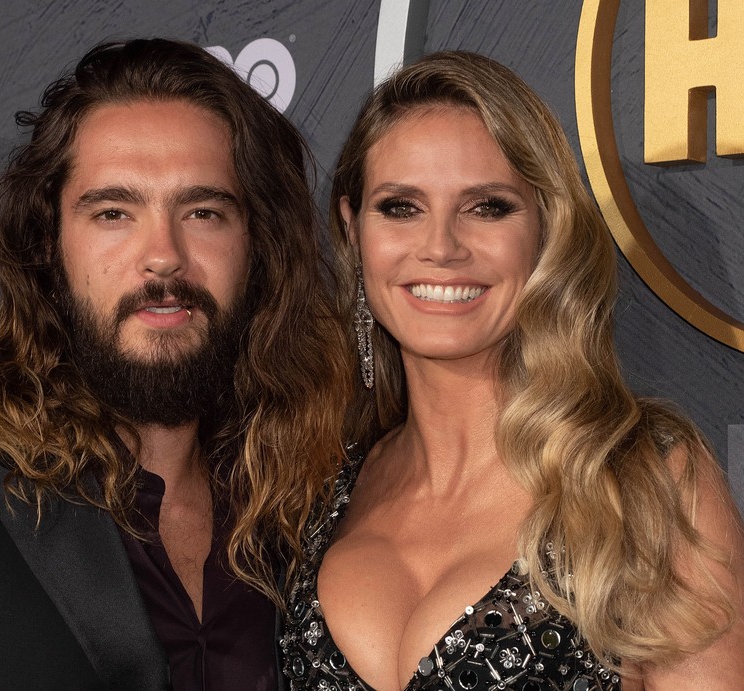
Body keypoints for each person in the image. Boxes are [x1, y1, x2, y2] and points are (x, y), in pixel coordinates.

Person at [0, 38, 348, 690]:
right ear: (48, 245)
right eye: (114, 212)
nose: (162, 256)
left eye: (203, 212)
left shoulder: (312, 508)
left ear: (257, 246)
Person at [280, 51, 744, 690]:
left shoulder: (647, 479)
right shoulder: (317, 491)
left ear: (546, 228)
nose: (441, 246)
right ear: (351, 226)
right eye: (401, 207)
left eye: (487, 207)